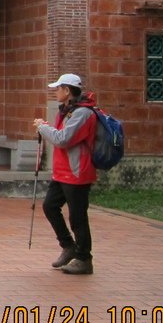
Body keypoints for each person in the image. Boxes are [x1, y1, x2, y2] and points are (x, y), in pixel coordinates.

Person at [32, 73, 98, 275]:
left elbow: (63, 139)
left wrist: (43, 127)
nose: (56, 92)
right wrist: (46, 128)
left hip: (77, 173)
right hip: (62, 173)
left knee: (78, 217)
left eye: (58, 89)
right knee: (50, 207)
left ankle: (84, 258)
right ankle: (68, 246)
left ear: (67, 90)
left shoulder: (83, 114)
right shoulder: (68, 111)